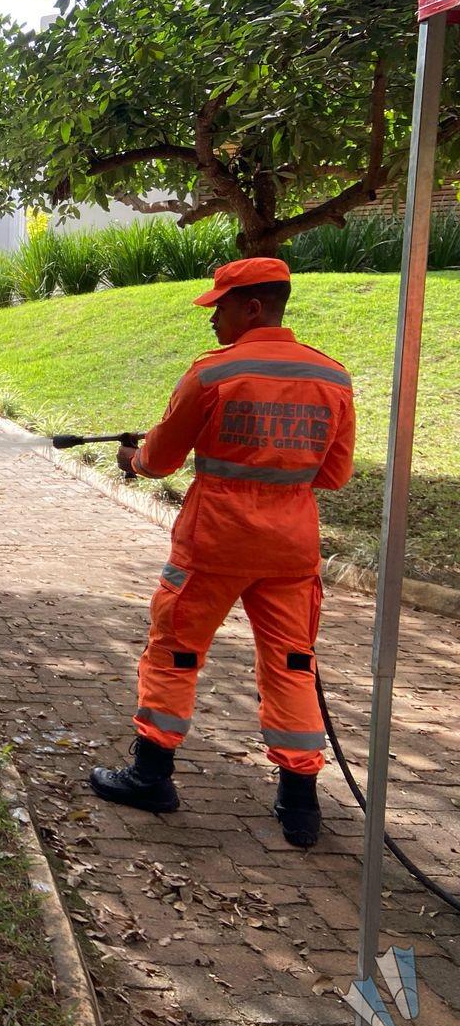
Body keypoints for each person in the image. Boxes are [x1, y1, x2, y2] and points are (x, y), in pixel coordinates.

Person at [89, 257, 356, 847]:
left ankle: (151, 777)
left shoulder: (212, 374)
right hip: (290, 551)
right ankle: (300, 805)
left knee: (175, 652)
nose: (212, 320)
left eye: (221, 308)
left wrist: (132, 460)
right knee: (292, 664)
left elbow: (160, 460)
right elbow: (334, 475)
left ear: (253, 307)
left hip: (212, 543)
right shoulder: (333, 378)